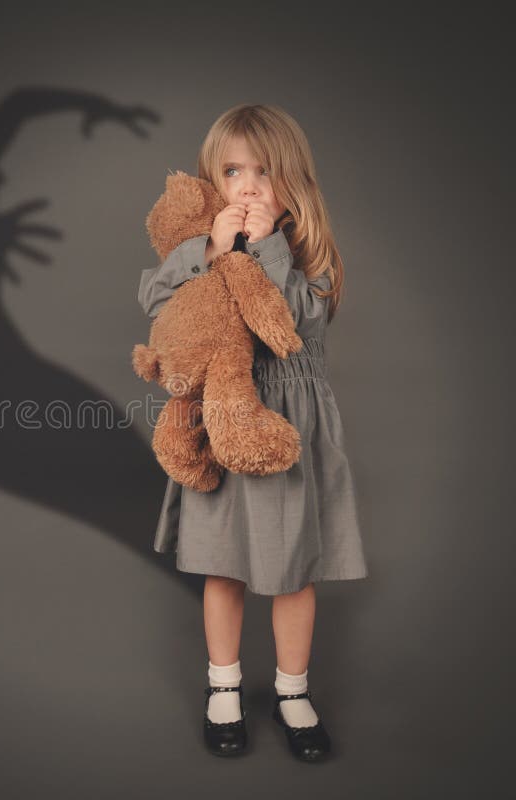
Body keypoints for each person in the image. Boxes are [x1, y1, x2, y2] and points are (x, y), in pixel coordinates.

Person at [137, 105, 369, 761]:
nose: (246, 187)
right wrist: (210, 248)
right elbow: (157, 303)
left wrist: (266, 247)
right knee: (223, 564)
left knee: (294, 573)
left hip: (287, 430)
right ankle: (224, 687)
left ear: (292, 182)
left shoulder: (309, 255)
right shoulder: (202, 252)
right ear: (214, 179)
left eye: (263, 173)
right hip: (221, 420)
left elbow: (296, 323)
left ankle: (293, 692)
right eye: (232, 171)